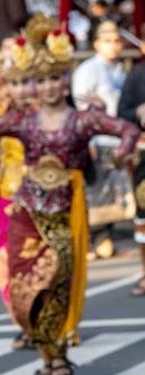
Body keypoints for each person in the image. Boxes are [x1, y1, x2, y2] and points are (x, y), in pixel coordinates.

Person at [0, 14, 139, 374]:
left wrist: (125, 148)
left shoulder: (83, 120)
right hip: (26, 216)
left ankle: (57, 354)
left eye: (54, 78)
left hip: (62, 215)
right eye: (41, 79)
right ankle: (46, 352)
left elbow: (124, 127)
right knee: (23, 289)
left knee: (58, 281)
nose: (47, 86)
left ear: (65, 81)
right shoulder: (24, 122)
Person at [0, 59, 37, 350]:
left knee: (33, 263)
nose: (19, 90)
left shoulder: (48, 114)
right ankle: (22, 321)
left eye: (24, 82)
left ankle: (39, 321)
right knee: (3, 260)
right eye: (12, 83)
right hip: (6, 195)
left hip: (38, 199)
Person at [73, 20, 131, 260]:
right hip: (97, 138)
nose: (114, 45)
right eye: (108, 40)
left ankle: (105, 238)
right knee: (96, 190)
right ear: (97, 43)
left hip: (117, 138)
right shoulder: (88, 69)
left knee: (114, 190)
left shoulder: (120, 70)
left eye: (117, 40)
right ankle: (93, 240)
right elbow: (82, 107)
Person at [117, 53, 145, 297]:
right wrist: (138, 111)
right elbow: (122, 112)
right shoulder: (137, 74)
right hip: (144, 153)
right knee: (143, 212)